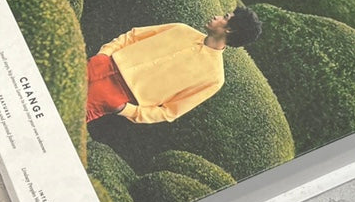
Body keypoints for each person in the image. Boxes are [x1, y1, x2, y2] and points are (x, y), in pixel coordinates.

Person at [85, 8, 263, 124]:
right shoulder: (181, 29)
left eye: (225, 17)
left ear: (229, 30)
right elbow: (133, 36)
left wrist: (126, 110)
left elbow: (170, 112)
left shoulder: (214, 77)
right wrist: (104, 54)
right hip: (101, 65)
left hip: (116, 96)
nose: (217, 16)